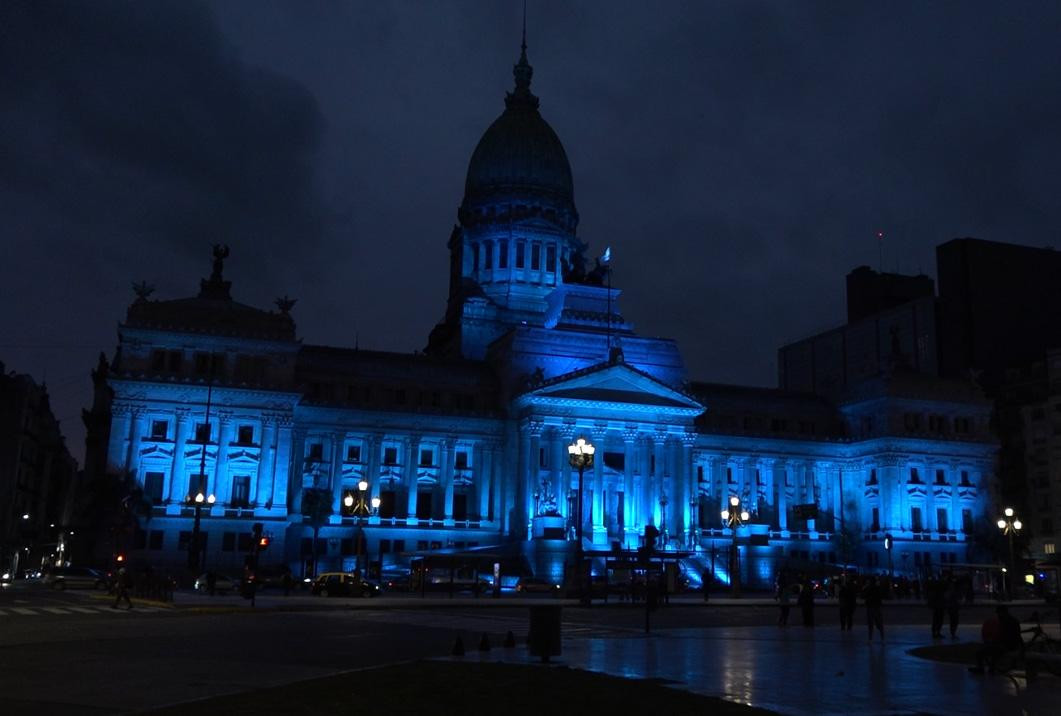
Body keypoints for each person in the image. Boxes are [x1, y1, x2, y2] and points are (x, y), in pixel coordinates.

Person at [970, 606, 1022, 674]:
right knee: (993, 651)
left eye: (998, 613)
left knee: (980, 652)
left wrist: (994, 641)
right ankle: (991, 668)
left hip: (1006, 646)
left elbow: (1004, 636)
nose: (998, 615)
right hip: (1010, 645)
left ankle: (981, 669)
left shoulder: (1006, 622)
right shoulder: (1010, 620)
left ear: (1002, 613)